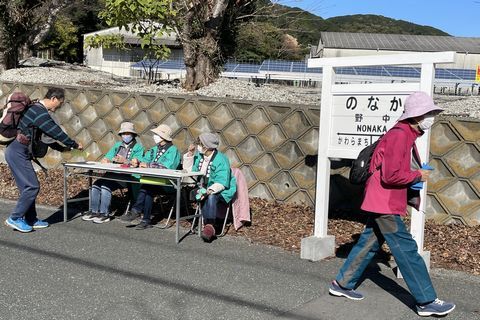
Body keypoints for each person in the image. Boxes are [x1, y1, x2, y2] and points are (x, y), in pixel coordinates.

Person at [328, 91, 455, 317]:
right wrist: (417, 176)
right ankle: (426, 301)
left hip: (381, 200)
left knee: (368, 244)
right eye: (430, 113)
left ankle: (342, 284)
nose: (432, 117)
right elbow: (391, 175)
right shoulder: (400, 135)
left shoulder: (404, 134)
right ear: (416, 116)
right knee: (406, 250)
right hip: (385, 202)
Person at [4, 87, 83, 233]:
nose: (58, 107)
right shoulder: (40, 112)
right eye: (59, 103)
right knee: (32, 186)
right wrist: (74, 144)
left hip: (18, 151)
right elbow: (56, 132)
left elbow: (46, 138)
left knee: (26, 188)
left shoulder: (35, 109)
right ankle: (15, 218)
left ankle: (31, 219)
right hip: (17, 151)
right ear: (53, 99)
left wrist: (63, 149)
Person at [120, 124, 181, 229]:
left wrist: (147, 165)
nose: (154, 136)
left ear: (163, 136)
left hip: (169, 183)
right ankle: (145, 220)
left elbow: (167, 167)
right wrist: (137, 162)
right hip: (154, 181)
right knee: (148, 187)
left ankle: (136, 211)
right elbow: (146, 160)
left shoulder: (173, 150)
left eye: (156, 134)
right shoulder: (154, 149)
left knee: (147, 186)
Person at [81, 122, 144, 223]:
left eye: (128, 133)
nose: (125, 136)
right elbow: (106, 158)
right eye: (123, 133)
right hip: (112, 174)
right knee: (95, 185)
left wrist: (125, 161)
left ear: (133, 135)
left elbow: (136, 163)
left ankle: (104, 214)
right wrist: (106, 160)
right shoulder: (117, 145)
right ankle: (93, 211)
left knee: (106, 186)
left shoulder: (138, 147)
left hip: (127, 177)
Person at [182, 132, 236, 242]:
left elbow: (222, 182)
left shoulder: (221, 159)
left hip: (221, 189)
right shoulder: (200, 156)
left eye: (200, 144)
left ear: (206, 147)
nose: (198, 146)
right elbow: (189, 173)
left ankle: (210, 225)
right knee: (183, 189)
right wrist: (190, 155)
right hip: (201, 187)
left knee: (211, 196)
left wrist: (208, 191)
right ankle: (189, 217)